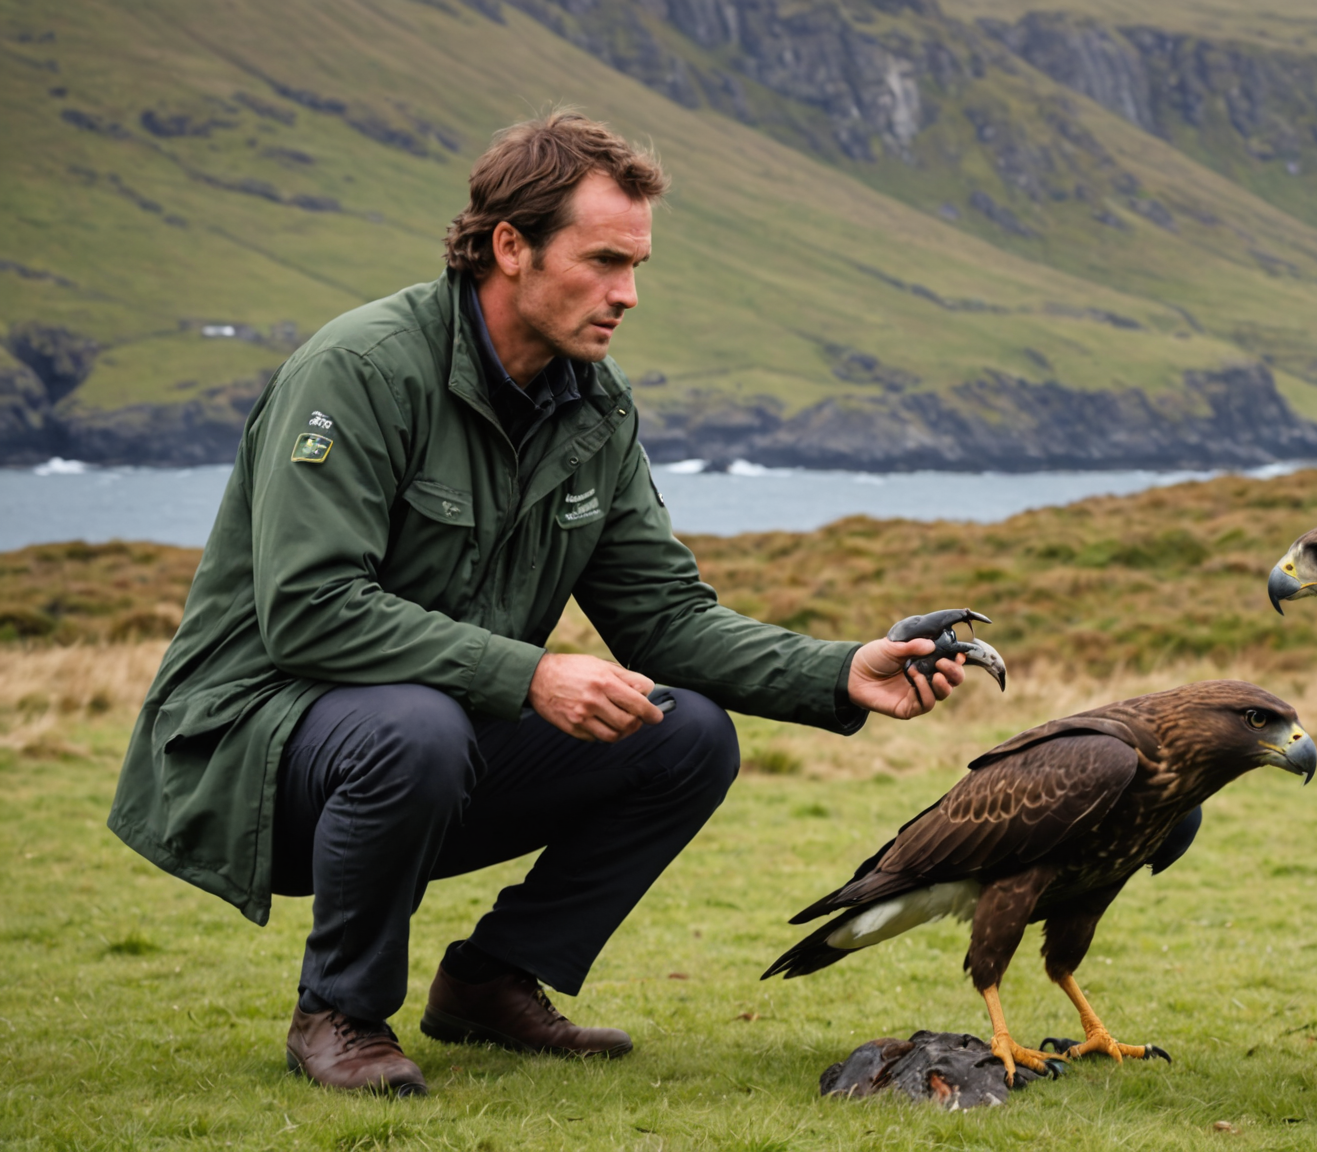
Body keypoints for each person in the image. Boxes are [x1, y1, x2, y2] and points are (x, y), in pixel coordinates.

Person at [108, 111, 970, 1097]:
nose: (628, 295)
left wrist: (838, 673)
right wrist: (531, 674)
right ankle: (340, 1014)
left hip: (420, 748)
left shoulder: (594, 407)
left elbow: (665, 621)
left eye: (637, 265)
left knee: (683, 733)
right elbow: (310, 610)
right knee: (416, 725)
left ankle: (488, 982)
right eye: (604, 261)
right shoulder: (359, 372)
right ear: (509, 246)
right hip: (252, 754)